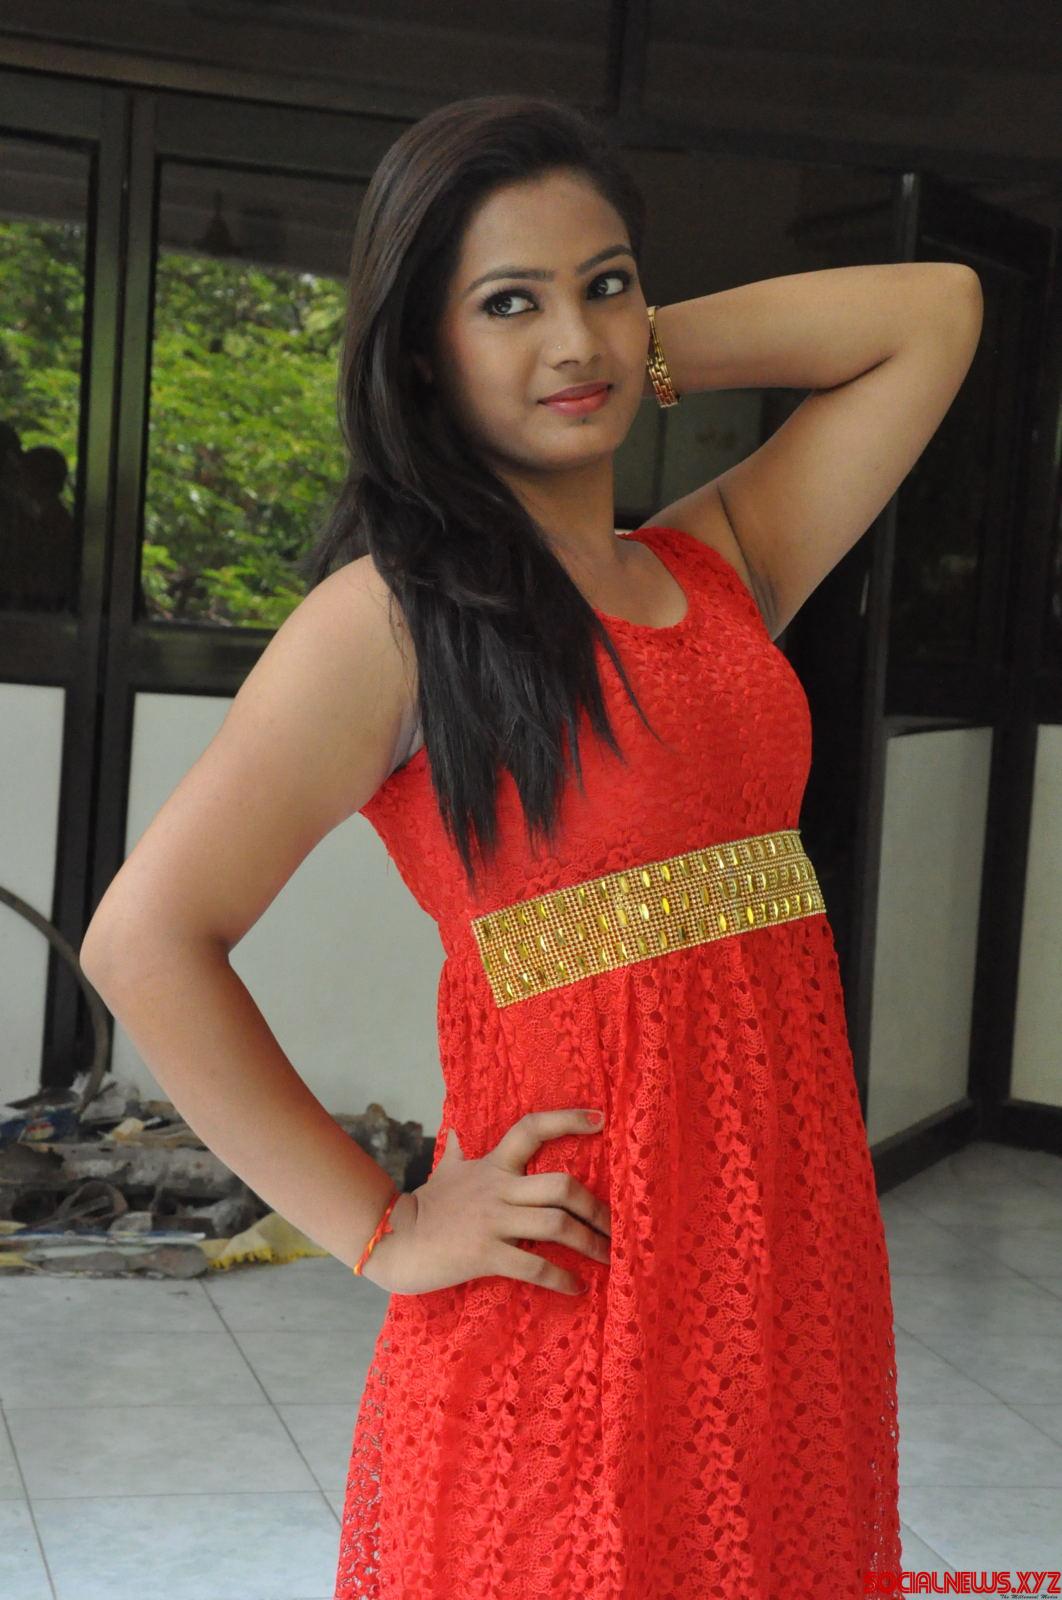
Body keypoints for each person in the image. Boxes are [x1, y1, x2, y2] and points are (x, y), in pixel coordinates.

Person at [80, 91, 982, 1600]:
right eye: (509, 303)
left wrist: (622, 340)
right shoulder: (388, 623)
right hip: (576, 1283)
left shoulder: (720, 563)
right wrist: (378, 1228)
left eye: (604, 282)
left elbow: (932, 312)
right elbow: (143, 941)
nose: (573, 338)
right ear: (421, 352)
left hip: (784, 1267)